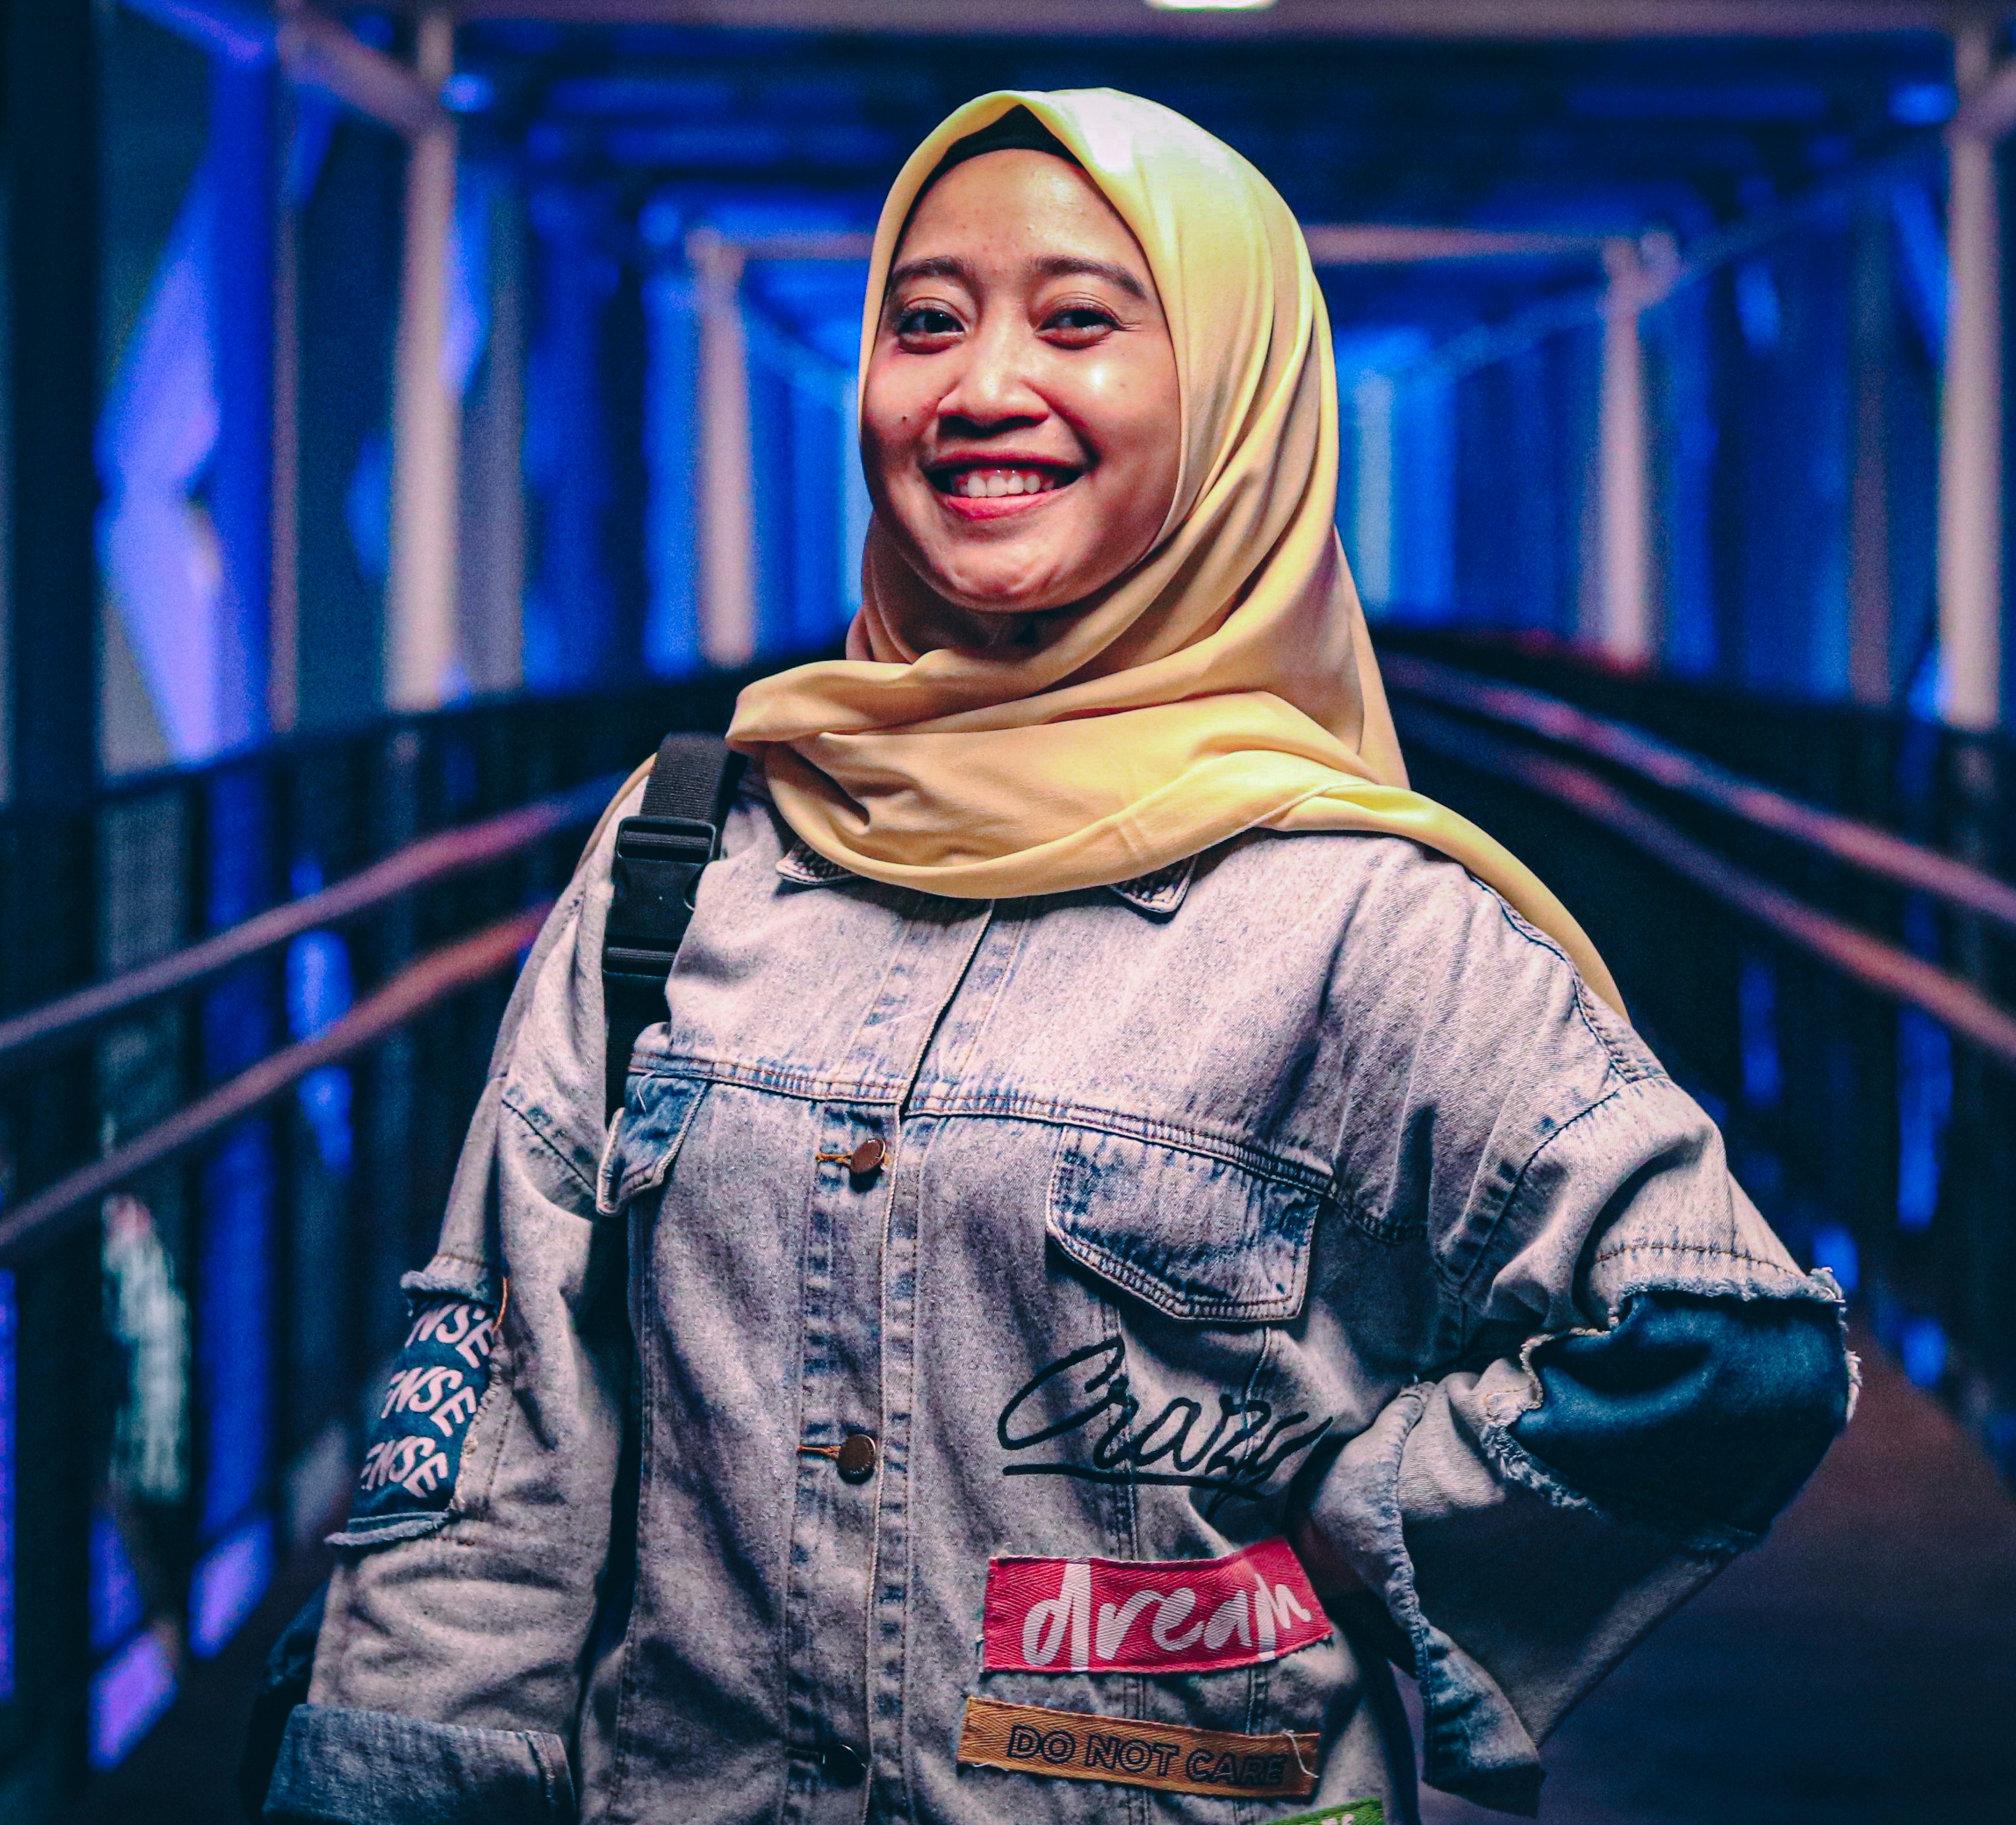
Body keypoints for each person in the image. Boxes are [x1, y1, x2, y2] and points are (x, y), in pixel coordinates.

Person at [264, 88, 1849, 1824]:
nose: (980, 387)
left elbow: (1725, 1353)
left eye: (1080, 320)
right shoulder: (688, 852)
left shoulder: (1361, 924)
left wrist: (1357, 1516)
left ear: (1236, 404)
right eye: (924, 321)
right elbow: (499, 1433)